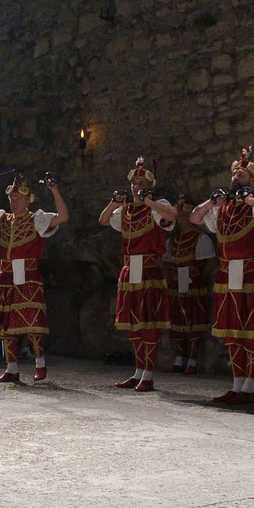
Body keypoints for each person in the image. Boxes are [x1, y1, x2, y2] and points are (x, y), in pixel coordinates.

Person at [189, 146, 254, 405]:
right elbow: (195, 217)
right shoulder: (224, 208)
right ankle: (236, 385)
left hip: (251, 274)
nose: (235, 178)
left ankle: (249, 388)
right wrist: (211, 201)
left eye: (241, 176)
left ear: (253, 180)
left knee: (251, 329)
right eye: (234, 175)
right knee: (232, 330)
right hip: (227, 273)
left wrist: (252, 200)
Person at [0, 171, 69, 382]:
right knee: (7, 322)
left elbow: (63, 217)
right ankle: (12, 367)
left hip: (28, 274)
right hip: (5, 274)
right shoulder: (2, 219)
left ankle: (40, 363)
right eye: (11, 198)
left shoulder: (37, 220)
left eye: (18, 199)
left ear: (28, 200)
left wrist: (54, 190)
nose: (13, 202)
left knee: (31, 320)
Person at [97, 157, 176, 391]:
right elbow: (102, 220)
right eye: (134, 183)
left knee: (148, 322)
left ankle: (148, 374)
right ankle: (138, 370)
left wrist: (149, 202)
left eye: (141, 183)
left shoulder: (157, 205)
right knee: (133, 324)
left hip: (149, 269)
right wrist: (114, 203)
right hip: (130, 269)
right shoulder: (126, 211)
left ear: (150, 186)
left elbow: (172, 215)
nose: (136, 186)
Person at [163, 194, 216, 374]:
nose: (182, 220)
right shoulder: (174, 240)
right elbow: (168, 262)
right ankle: (179, 359)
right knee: (177, 320)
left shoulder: (200, 239)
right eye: (180, 217)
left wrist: (199, 278)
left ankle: (192, 361)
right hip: (177, 283)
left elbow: (210, 262)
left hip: (193, 285)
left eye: (185, 216)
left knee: (194, 320)